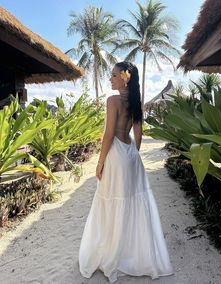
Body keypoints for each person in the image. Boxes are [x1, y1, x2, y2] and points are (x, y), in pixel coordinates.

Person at [79, 61, 174, 283]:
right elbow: (138, 135)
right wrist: (132, 155)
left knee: (113, 203)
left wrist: (100, 162)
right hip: (131, 155)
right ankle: (130, 253)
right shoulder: (135, 103)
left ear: (125, 77)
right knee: (131, 204)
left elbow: (109, 133)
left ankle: (115, 254)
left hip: (116, 156)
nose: (110, 79)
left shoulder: (112, 101)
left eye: (113, 75)